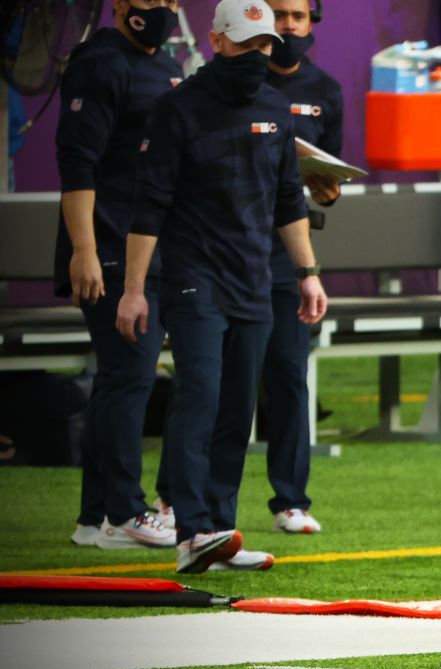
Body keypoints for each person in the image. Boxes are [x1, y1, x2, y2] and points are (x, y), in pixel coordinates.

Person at [115, 0, 328, 573]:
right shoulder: (176, 109)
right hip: (192, 280)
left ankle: (218, 529)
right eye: (247, 44)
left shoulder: (275, 107)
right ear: (216, 41)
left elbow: (289, 199)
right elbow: (149, 206)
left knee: (236, 409)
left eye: (266, 45)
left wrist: (307, 274)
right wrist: (135, 289)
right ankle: (191, 529)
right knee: (199, 398)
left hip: (256, 281)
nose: (259, 54)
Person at [56, 0, 184, 551]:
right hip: (107, 247)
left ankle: (94, 519)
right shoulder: (100, 62)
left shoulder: (166, 65)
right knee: (129, 377)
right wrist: (83, 249)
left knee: (118, 378)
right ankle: (125, 510)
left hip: (147, 248)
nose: (162, 7)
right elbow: (77, 162)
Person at [260, 0, 344, 533]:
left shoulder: (326, 91)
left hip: (288, 255)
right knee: (215, 382)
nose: (288, 25)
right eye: (278, 14)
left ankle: (291, 500)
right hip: (223, 248)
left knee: (290, 376)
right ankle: (184, 502)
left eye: (298, 15)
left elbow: (328, 190)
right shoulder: (230, 84)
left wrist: (328, 188)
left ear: (312, 22)